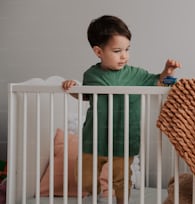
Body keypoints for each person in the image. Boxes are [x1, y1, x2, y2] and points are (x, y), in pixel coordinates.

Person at [62, 15, 181, 204]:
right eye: (117, 51)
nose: (124, 55)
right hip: (94, 137)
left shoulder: (136, 75)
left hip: (123, 137)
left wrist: (166, 72)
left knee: (121, 179)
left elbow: (157, 81)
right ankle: (93, 195)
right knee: (84, 177)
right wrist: (73, 88)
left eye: (127, 49)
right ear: (98, 51)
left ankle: (121, 201)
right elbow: (85, 95)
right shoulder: (91, 75)